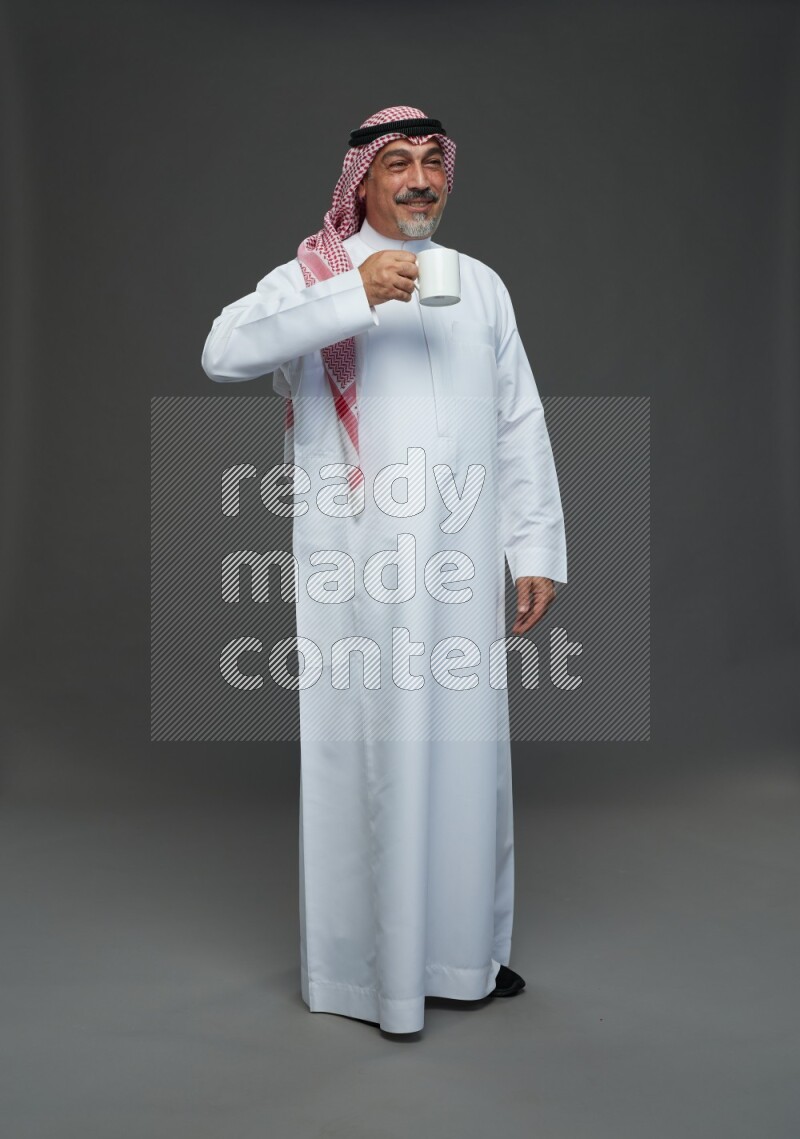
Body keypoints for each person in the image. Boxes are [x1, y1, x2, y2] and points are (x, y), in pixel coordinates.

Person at [201, 106, 568, 1035]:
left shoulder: (480, 285)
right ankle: (369, 975)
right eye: (395, 163)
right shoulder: (314, 274)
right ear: (360, 181)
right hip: (356, 567)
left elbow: (518, 417)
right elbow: (223, 353)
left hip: (458, 561)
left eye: (430, 164)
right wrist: (354, 294)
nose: (416, 180)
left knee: (466, 755)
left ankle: (461, 958)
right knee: (371, 753)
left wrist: (533, 545)